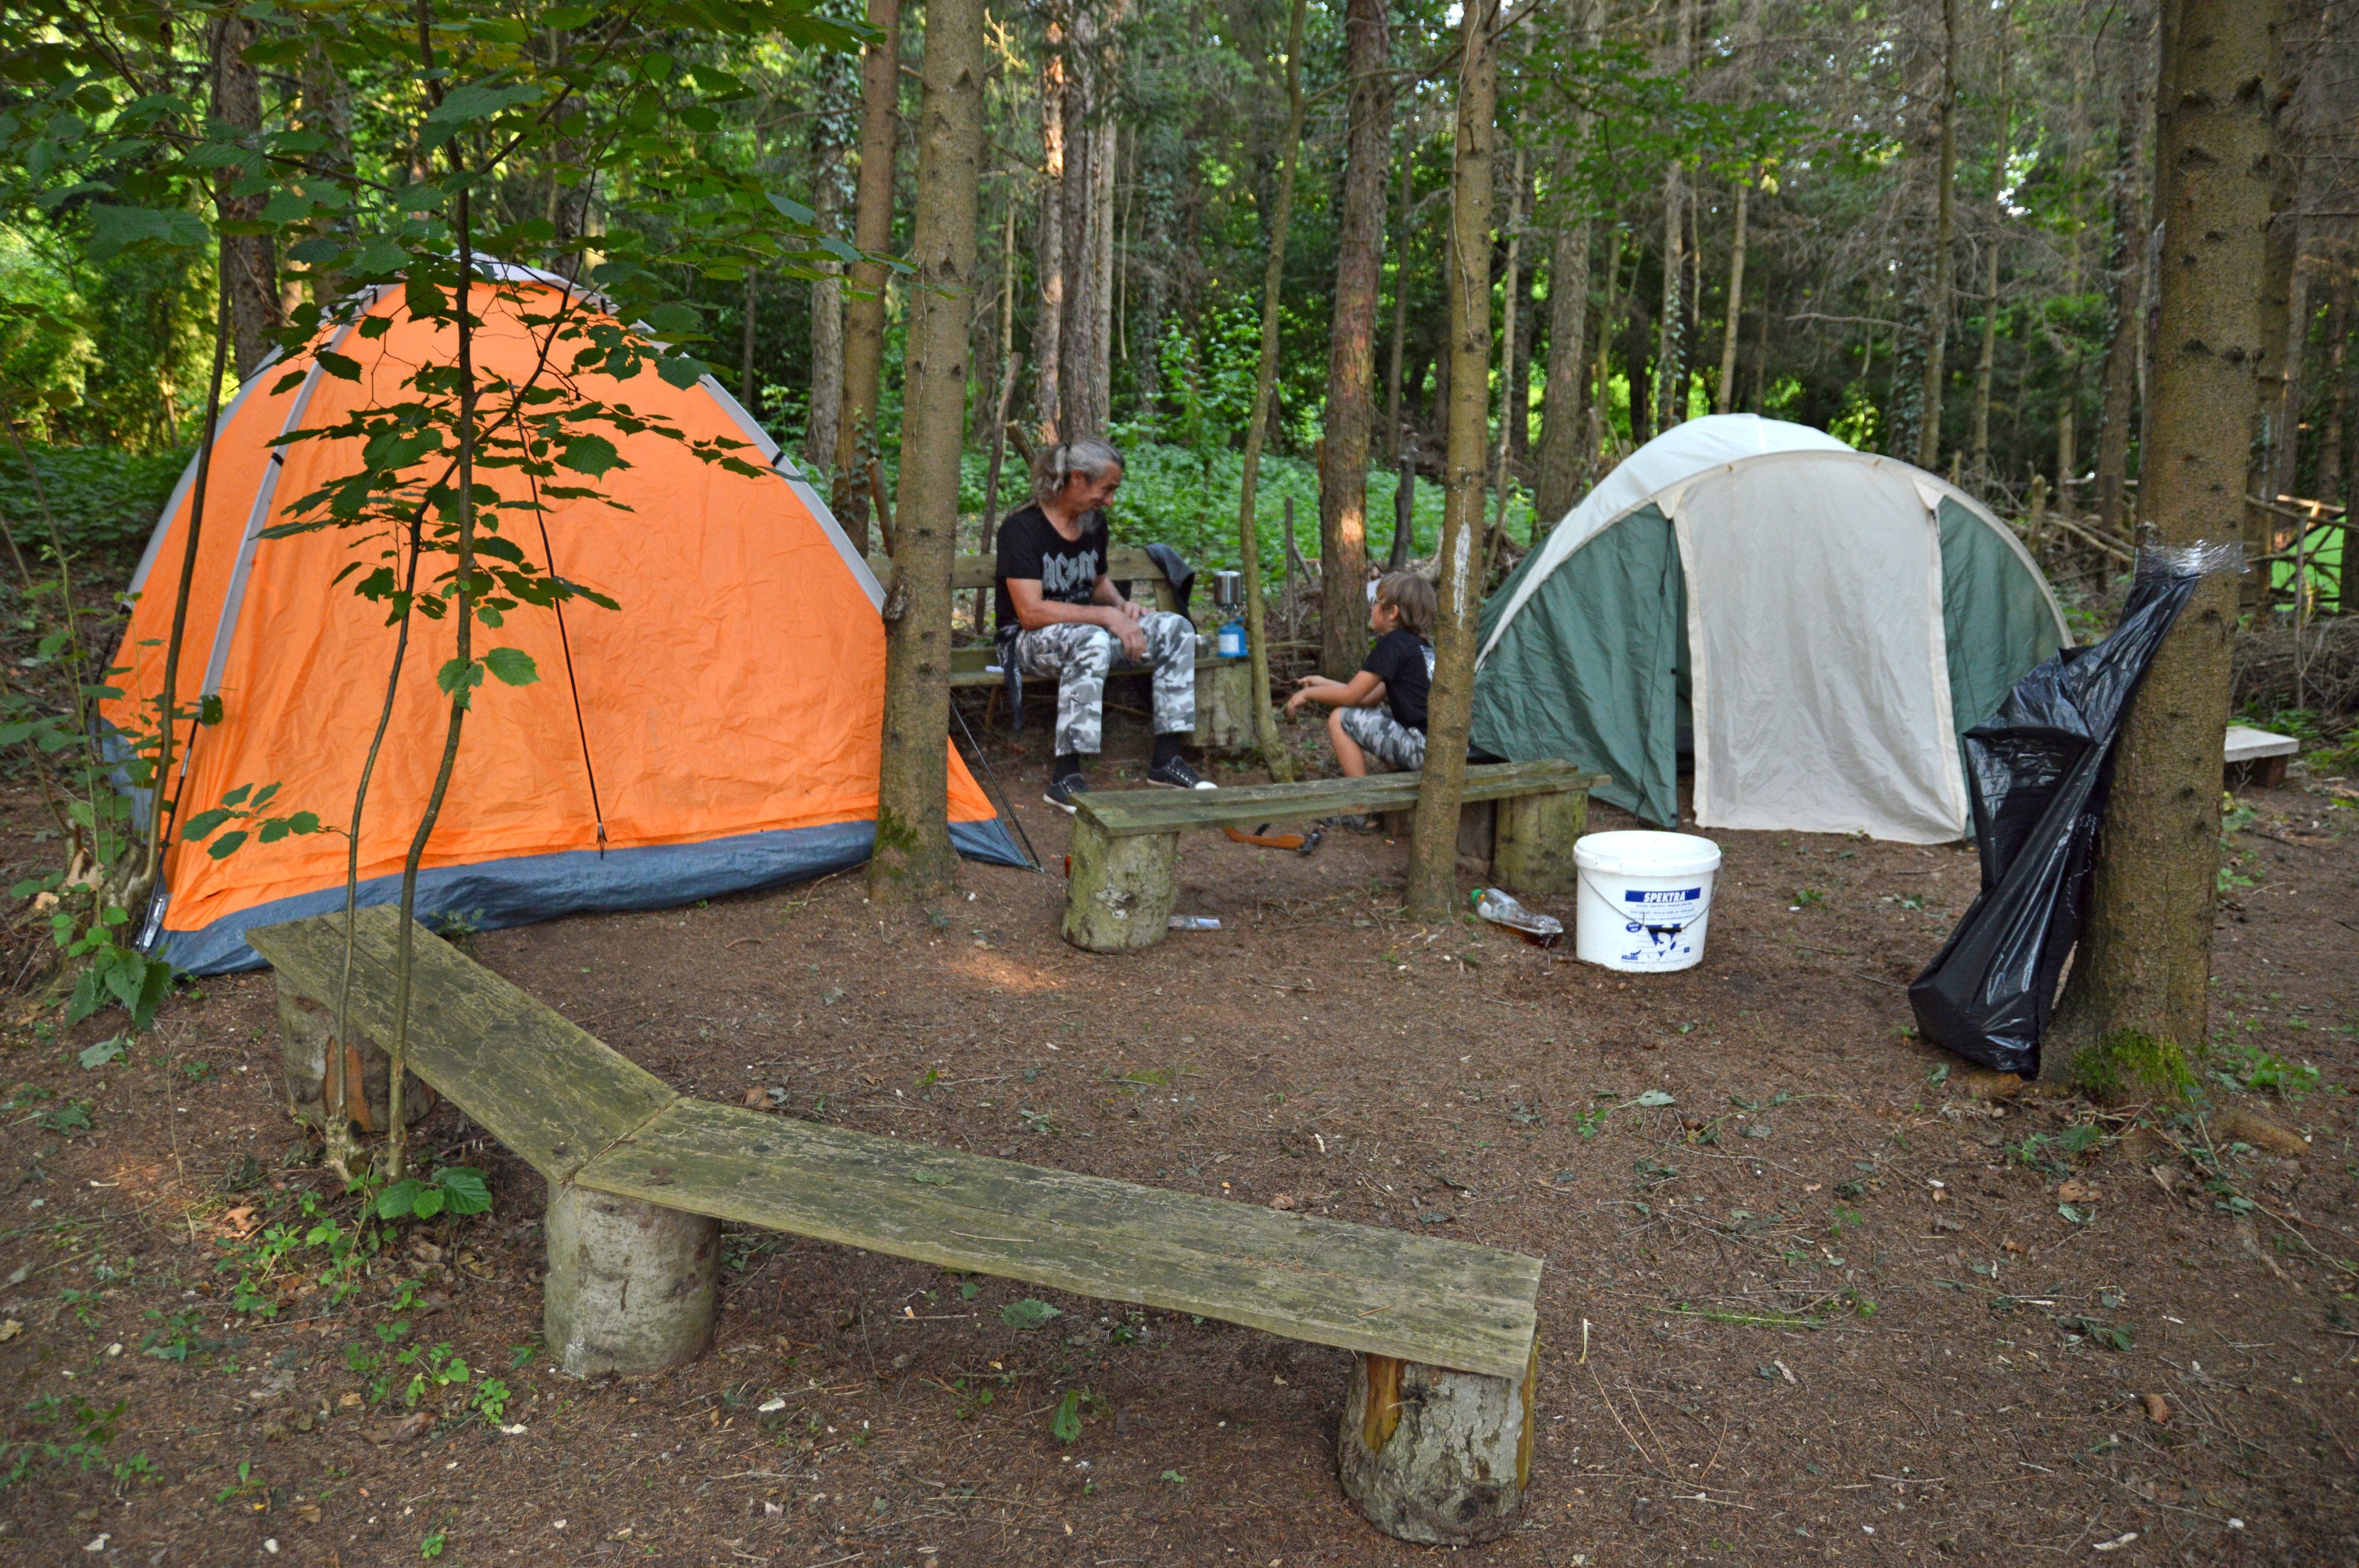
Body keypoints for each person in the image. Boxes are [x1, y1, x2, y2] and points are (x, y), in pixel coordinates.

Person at [995, 438, 1215, 811]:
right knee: (1093, 640)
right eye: (1107, 489)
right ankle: (1065, 777)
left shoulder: (1093, 525)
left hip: (1088, 632)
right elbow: (1030, 612)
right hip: (1025, 642)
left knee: (1175, 628)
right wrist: (1106, 617)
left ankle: (1167, 760)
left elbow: (1097, 585)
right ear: (1078, 479)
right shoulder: (1021, 529)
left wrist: (1122, 606)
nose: (1110, 500)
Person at [1284, 571, 1435, 783]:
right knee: (1374, 716)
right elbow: (1367, 697)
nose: (1371, 608)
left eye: (1375, 602)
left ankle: (1359, 809)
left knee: (1340, 718)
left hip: (1423, 750)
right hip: (1436, 748)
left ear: (1392, 612)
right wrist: (1323, 683)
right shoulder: (1420, 645)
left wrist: (1309, 694)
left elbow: (1350, 697)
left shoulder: (1393, 644)